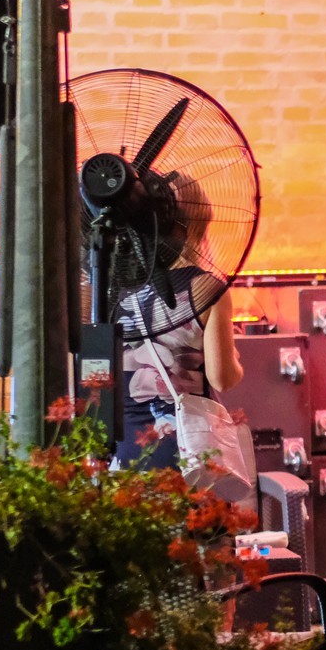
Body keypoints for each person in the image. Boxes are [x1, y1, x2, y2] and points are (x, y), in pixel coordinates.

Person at [115, 176, 244, 470]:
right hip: (184, 451)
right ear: (194, 224)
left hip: (127, 450)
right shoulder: (206, 288)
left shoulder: (112, 290)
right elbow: (222, 378)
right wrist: (235, 360)